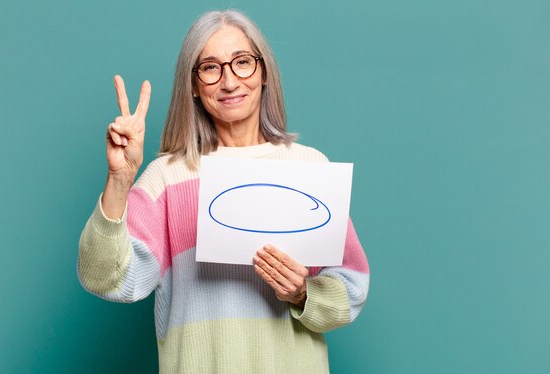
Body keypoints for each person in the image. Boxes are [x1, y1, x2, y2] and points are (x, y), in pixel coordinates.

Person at [78, 9, 369, 373]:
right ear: (194, 86)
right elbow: (106, 279)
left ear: (264, 73)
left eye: (242, 62)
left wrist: (303, 293)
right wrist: (120, 180)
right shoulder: (166, 178)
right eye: (211, 67)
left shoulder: (311, 168)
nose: (230, 82)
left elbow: (352, 288)